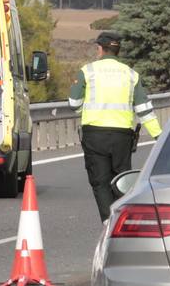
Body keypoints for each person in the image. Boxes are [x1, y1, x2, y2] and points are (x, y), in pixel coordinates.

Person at [68, 31, 163, 221]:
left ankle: (108, 221)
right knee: (122, 181)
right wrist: (160, 137)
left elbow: (74, 103)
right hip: (122, 136)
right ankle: (123, 220)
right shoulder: (131, 74)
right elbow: (144, 110)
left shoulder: (88, 71)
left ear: (100, 49)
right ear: (117, 50)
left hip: (95, 135)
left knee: (100, 182)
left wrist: (85, 108)